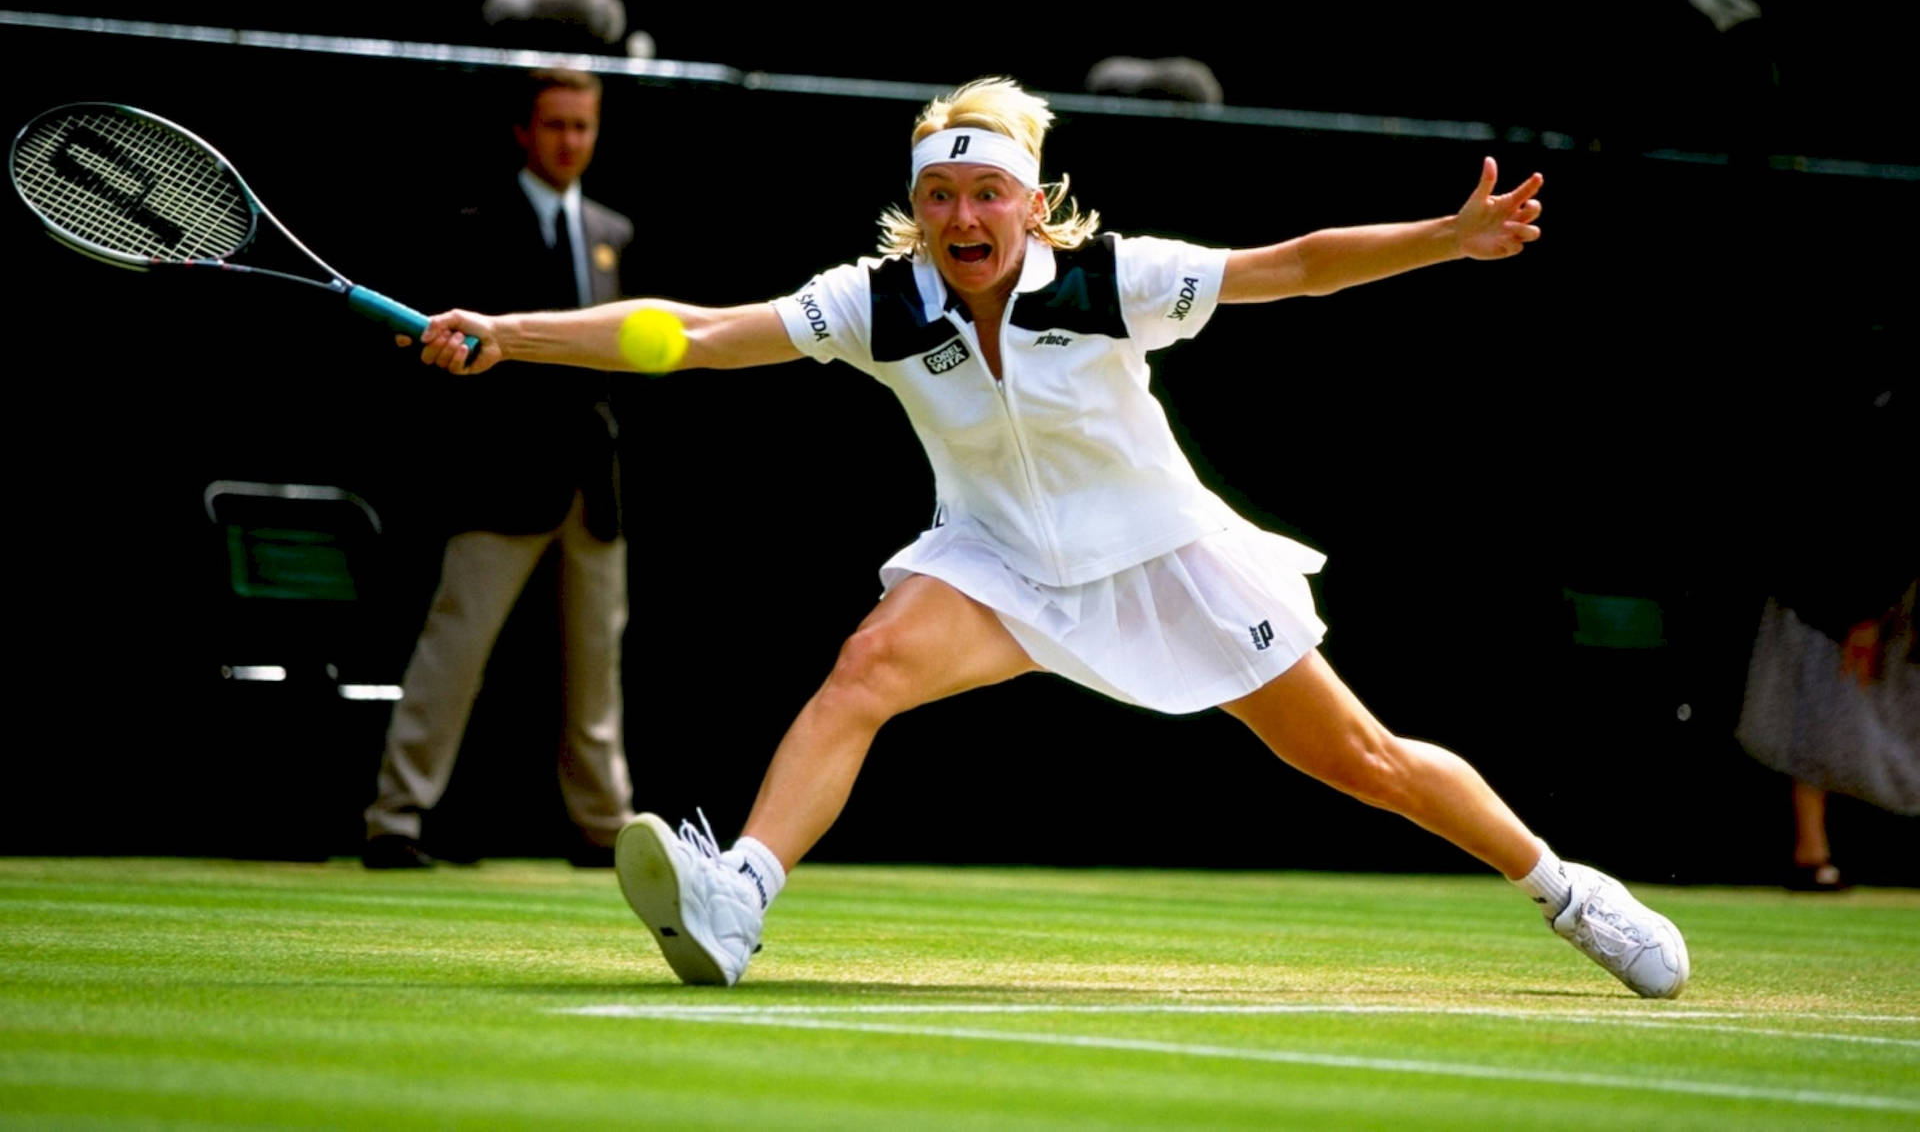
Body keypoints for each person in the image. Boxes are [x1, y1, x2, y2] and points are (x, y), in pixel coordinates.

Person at [404, 77, 1691, 997]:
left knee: (1362, 758)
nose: (966, 217)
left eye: (990, 193)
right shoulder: (879, 302)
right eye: (942, 194)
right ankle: (740, 894)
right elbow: (689, 333)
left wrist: (1449, 240)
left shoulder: (1115, 277)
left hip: (1168, 559)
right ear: (919, 207)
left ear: (1032, 203)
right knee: (867, 668)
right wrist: (512, 334)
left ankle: (1569, 889)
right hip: (1000, 565)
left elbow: (1292, 266)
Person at [364, 69, 636, 869]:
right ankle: (396, 819)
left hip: (594, 489)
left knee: (598, 670)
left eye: (582, 127)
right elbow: (433, 345)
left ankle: (605, 827)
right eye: (555, 125)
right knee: (454, 653)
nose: (570, 141)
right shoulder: (473, 221)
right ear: (525, 131)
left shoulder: (612, 228)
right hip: (499, 482)